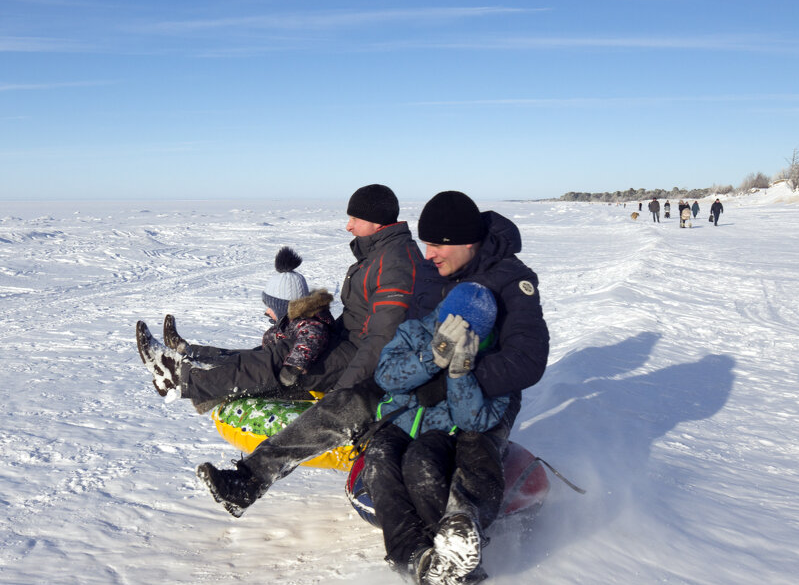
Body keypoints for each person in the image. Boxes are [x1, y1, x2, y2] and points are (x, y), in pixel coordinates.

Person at [196, 190, 551, 560]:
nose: (428, 254)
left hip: (485, 394)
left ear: (464, 241)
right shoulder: (436, 272)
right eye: (426, 244)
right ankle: (250, 479)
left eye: (436, 246)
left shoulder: (512, 282)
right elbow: (404, 329)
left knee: (473, 446)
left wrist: (451, 382)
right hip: (419, 377)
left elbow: (527, 360)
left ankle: (463, 530)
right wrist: (398, 372)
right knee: (347, 403)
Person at [137, 184, 423, 410]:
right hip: (346, 342)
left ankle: (180, 377)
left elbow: (382, 337)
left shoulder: (393, 261)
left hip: (356, 355)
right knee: (271, 355)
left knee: (275, 364)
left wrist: (343, 390)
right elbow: (358, 315)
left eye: (355, 218)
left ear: (376, 222)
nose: (348, 225)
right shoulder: (377, 254)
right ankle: (187, 358)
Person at [362, 282, 512, 585]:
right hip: (399, 423)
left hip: (445, 436)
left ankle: (449, 554)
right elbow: (386, 376)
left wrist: (460, 375)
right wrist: (432, 357)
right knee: (379, 460)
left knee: (421, 462)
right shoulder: (414, 332)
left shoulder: (497, 362)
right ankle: (413, 556)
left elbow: (472, 420)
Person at [136, 247, 335, 412]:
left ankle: (177, 373)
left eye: (271, 306)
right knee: (239, 357)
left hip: (299, 380)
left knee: (248, 365)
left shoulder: (311, 323)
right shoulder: (294, 322)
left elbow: (311, 339)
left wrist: (293, 367)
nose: (266, 311)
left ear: (286, 307)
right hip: (281, 369)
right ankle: (187, 351)